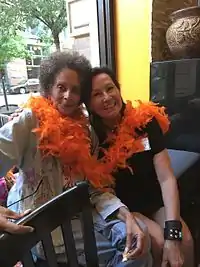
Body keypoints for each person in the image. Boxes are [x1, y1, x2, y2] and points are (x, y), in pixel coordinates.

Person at [0, 52, 152, 267]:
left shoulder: (87, 131)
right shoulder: (28, 122)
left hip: (84, 214)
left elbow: (94, 187)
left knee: (139, 238)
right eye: (62, 87)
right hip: (46, 229)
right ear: (49, 88)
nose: (68, 96)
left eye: (76, 90)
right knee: (132, 253)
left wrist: (125, 215)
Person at [81, 66, 194, 267]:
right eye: (97, 94)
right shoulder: (89, 138)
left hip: (154, 201)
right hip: (124, 207)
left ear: (118, 89)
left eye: (110, 88)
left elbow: (166, 177)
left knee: (182, 240)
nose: (106, 97)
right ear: (88, 103)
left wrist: (173, 229)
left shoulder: (146, 122)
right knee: (159, 242)